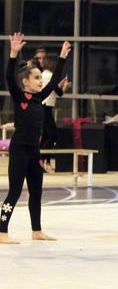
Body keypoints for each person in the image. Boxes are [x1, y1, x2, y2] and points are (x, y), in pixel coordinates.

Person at [0, 33, 70, 244]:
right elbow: (9, 77)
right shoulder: (20, 97)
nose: (41, 81)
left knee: (36, 192)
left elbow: (56, 80)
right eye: (37, 78)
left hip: (34, 151)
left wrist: (62, 57)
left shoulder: (39, 99)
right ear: (25, 81)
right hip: (19, 149)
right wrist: (13, 54)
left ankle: (36, 230)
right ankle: (1, 230)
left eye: (41, 77)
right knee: (14, 191)